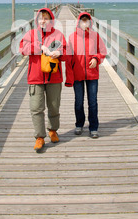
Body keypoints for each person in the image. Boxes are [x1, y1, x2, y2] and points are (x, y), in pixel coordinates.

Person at [19, 8, 67, 152]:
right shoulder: (31, 34)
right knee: (36, 108)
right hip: (35, 77)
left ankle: (53, 130)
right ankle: (39, 137)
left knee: (54, 106)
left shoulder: (58, 34)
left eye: (46, 18)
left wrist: (59, 53)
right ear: (37, 20)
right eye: (41, 18)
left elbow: (66, 52)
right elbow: (23, 48)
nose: (43, 21)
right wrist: (40, 47)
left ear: (51, 20)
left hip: (54, 77)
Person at [66, 12, 107, 138]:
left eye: (87, 20)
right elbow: (68, 59)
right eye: (83, 20)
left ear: (90, 22)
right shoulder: (72, 37)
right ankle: (79, 124)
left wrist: (96, 58)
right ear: (78, 22)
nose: (85, 23)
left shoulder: (95, 36)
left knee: (93, 102)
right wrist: (69, 77)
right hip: (77, 74)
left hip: (92, 74)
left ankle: (93, 127)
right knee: (78, 101)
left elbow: (103, 52)